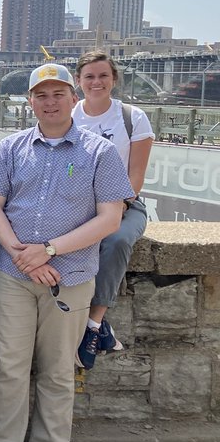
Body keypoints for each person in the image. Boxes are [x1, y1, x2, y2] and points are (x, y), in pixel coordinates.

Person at [0, 63, 132, 442]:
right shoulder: (11, 147)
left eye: (58, 93)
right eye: (41, 95)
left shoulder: (99, 152)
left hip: (71, 275)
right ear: (31, 103)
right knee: (9, 365)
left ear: (73, 98)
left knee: (58, 369)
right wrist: (23, 255)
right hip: (15, 273)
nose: (50, 101)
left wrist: (50, 250)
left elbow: (111, 218)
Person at [72, 50, 154, 369]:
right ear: (78, 82)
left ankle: (93, 325)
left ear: (114, 80)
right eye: (89, 76)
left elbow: (135, 178)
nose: (96, 82)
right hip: (77, 205)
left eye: (103, 75)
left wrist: (112, 212)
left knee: (116, 241)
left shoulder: (132, 118)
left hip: (125, 204)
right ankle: (100, 328)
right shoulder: (70, 117)